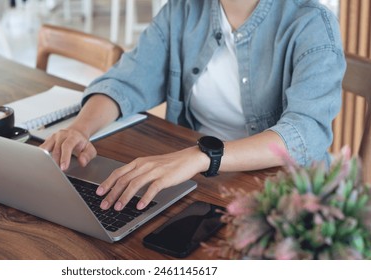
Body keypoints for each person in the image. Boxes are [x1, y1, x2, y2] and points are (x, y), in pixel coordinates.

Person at [41, 0, 345, 212]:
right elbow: (125, 80)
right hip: (201, 181)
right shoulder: (183, 10)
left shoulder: (312, 23)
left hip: (285, 196)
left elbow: (304, 134)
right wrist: (80, 128)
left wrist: (202, 156)